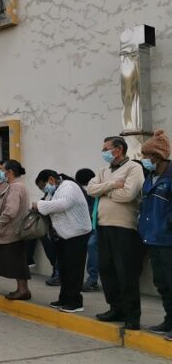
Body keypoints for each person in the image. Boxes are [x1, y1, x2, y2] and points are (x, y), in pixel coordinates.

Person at [87, 136, 145, 330]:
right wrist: (111, 185)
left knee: (126, 272)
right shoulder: (104, 171)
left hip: (124, 228)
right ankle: (115, 308)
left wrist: (103, 190)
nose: (103, 152)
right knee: (107, 269)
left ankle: (132, 315)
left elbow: (128, 194)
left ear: (118, 149)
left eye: (106, 148)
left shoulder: (133, 168)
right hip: (103, 227)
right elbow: (91, 189)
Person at [33, 170, 93, 313]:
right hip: (62, 235)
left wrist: (39, 205)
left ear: (51, 179)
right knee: (64, 269)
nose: (44, 189)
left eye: (43, 186)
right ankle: (64, 298)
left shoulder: (69, 186)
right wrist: (42, 204)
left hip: (76, 234)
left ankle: (75, 301)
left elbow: (63, 204)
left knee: (74, 270)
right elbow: (49, 205)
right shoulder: (54, 190)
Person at [137, 130, 172, 340]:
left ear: (156, 157)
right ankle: (169, 320)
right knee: (162, 283)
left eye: (145, 156)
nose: (143, 160)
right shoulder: (150, 178)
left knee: (171, 281)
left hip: (167, 239)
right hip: (152, 238)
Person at [0, 160, 32, 300]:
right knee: (18, 261)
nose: (0, 172)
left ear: (9, 172)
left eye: (2, 170)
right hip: (15, 230)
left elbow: (10, 210)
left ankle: (22, 290)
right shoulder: (17, 186)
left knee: (16, 262)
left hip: (11, 231)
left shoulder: (15, 187)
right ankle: (23, 289)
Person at [75, 168, 100, 292]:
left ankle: (92, 279)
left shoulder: (95, 190)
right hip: (89, 225)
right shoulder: (81, 191)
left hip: (99, 225)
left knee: (91, 244)